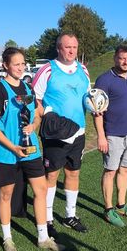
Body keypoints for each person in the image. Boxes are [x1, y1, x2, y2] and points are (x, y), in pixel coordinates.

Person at [0, 47, 65, 251]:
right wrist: (13, 147)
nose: (21, 68)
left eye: (23, 64)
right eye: (16, 64)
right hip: (7, 152)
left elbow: (37, 114)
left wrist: (33, 125)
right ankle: (7, 239)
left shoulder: (28, 88)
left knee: (41, 190)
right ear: (5, 65)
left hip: (31, 150)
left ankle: (43, 237)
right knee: (6, 194)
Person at [33, 33, 90, 236]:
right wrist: (47, 114)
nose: (72, 51)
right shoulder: (47, 70)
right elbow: (35, 98)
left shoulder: (83, 69)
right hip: (56, 134)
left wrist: (96, 105)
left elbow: (88, 97)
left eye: (74, 47)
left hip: (79, 131)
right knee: (52, 175)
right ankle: (47, 219)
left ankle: (70, 216)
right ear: (59, 48)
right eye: (67, 47)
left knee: (73, 173)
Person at [94, 44, 127, 227]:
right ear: (115, 58)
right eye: (122, 58)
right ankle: (108, 210)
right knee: (110, 171)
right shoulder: (104, 80)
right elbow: (97, 111)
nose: (125, 62)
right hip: (112, 135)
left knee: (125, 170)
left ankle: (121, 206)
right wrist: (101, 136)